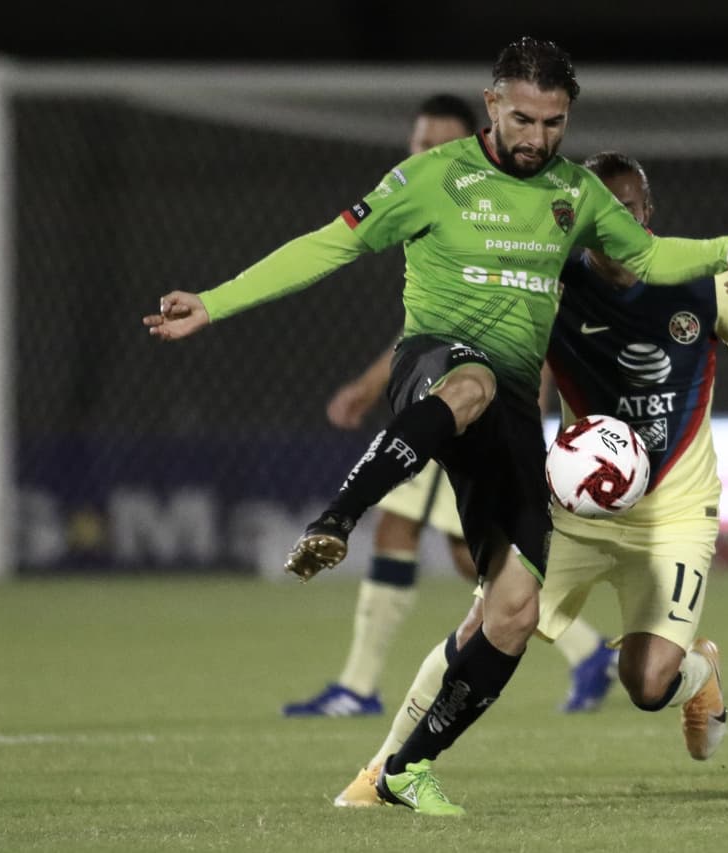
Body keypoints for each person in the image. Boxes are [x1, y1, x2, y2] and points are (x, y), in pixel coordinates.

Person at [143, 37, 728, 817]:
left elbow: (644, 254)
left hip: (509, 410)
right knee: (467, 381)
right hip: (435, 367)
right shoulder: (430, 178)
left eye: (554, 121)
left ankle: (405, 769)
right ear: (491, 104)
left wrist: (725, 246)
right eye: (524, 118)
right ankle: (339, 513)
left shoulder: (576, 192)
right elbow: (327, 246)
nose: (538, 137)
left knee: (511, 610)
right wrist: (215, 299)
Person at [332, 151, 728, 811]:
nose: (618, 226)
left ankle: (697, 670)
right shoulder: (552, 285)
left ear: (650, 216)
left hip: (675, 511)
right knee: (486, 620)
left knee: (647, 682)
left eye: (632, 211)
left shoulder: (703, 284)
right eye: (603, 214)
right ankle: (383, 770)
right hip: (576, 510)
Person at [281, 95, 618, 719]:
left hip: (473, 407)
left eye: (439, 142)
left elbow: (528, 319)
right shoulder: (430, 201)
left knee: (436, 540)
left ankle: (360, 685)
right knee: (463, 551)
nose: (424, 153)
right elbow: (433, 332)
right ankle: (587, 651)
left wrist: (526, 404)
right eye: (418, 142)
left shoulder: (510, 207)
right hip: (453, 384)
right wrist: (365, 386)